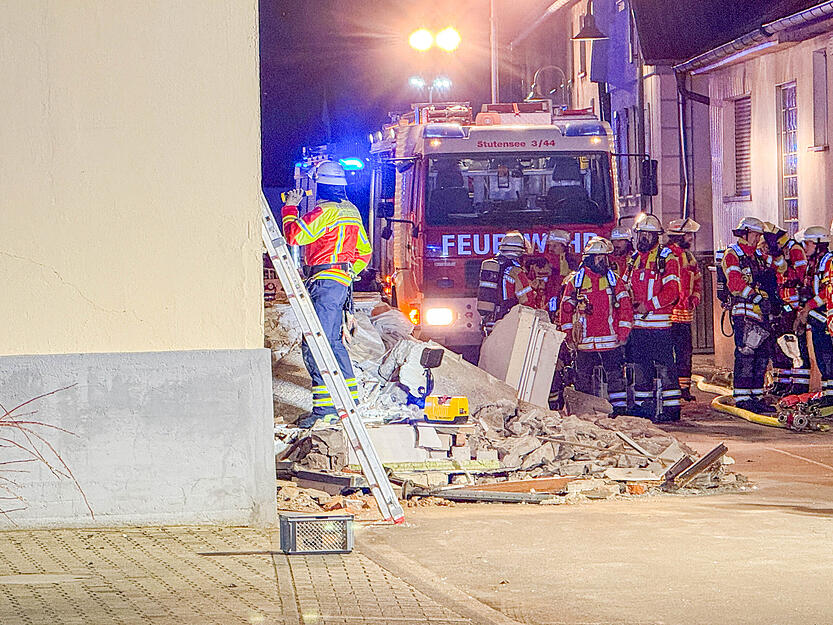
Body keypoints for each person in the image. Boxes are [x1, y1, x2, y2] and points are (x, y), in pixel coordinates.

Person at [281, 161, 372, 427]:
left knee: (316, 344)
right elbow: (363, 254)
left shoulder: (325, 211)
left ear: (320, 185)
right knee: (331, 342)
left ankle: (325, 411)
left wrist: (290, 208)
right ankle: (347, 402)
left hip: (324, 281)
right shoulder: (352, 211)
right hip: (339, 283)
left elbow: (294, 235)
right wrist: (345, 274)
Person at [559, 237, 634, 414]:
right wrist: (568, 334)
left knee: (615, 377)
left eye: (605, 257)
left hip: (610, 341)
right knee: (582, 379)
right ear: (590, 259)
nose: (604, 261)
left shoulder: (614, 280)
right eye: (600, 258)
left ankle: (619, 411)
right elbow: (565, 310)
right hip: (584, 342)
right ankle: (584, 412)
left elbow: (625, 307)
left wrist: (623, 333)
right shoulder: (575, 282)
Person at [623, 213, 682, 422]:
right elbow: (625, 288)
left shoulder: (667, 258)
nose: (644, 238)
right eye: (642, 234)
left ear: (657, 236)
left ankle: (672, 408)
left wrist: (647, 306)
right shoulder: (634, 259)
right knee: (641, 367)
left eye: (649, 235)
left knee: (666, 366)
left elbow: (672, 291)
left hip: (660, 326)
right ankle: (643, 407)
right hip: (638, 327)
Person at [721, 217, 777, 413]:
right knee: (746, 354)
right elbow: (734, 283)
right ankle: (743, 397)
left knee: (762, 356)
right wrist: (755, 298)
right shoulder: (732, 254)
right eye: (755, 234)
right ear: (744, 234)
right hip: (744, 312)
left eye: (759, 235)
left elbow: (780, 267)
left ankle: (756, 395)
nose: (757, 238)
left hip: (762, 314)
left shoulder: (758, 256)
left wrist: (776, 246)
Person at [766, 222, 810, 395]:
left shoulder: (794, 249)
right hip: (781, 305)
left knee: (796, 346)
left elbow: (802, 276)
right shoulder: (778, 251)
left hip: (793, 307)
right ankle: (782, 382)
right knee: (780, 346)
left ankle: (799, 385)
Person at [666, 218, 703, 401]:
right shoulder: (666, 256)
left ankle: (684, 388)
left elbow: (697, 280)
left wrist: (695, 298)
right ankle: (671, 386)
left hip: (685, 316)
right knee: (668, 353)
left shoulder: (689, 257)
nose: (691, 238)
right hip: (668, 317)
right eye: (688, 235)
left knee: (685, 352)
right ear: (678, 236)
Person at [797, 226, 833, 404]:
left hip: (827, 318)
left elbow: (828, 291)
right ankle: (828, 393)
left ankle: (831, 394)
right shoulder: (815, 263)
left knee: (828, 355)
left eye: (808, 243)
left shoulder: (828, 262)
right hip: (818, 318)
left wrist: (809, 306)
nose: (804, 247)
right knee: (822, 355)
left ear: (819, 243)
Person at [476, 231, 535, 333]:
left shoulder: (492, 266)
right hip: (508, 319)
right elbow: (527, 300)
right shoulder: (516, 271)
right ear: (520, 252)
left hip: (490, 319)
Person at [542, 228, 574, 321]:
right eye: (550, 246)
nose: (551, 249)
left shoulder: (569, 263)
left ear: (563, 247)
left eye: (554, 246)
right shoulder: (547, 261)